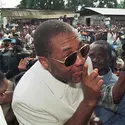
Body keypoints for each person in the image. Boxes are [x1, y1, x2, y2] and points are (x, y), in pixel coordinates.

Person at [12, 20, 124, 125]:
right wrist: (88, 102)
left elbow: (110, 97)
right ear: (44, 62)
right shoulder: (26, 100)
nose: (80, 61)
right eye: (70, 57)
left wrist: (91, 117)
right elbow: (86, 100)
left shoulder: (84, 60)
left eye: (83, 49)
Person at [88, 40, 125, 125]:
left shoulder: (119, 85)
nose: (95, 60)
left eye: (100, 56)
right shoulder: (80, 79)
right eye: (91, 55)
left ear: (110, 59)